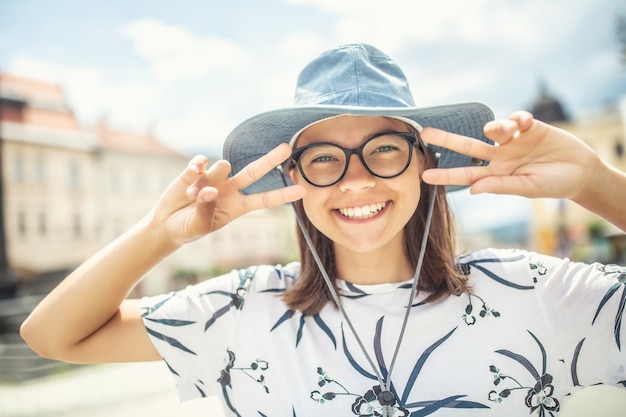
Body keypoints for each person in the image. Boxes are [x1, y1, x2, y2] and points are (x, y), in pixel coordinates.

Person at [20, 44, 626, 417]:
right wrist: (159, 235)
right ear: (294, 177)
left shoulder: (533, 292)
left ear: (425, 162)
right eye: (324, 159)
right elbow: (52, 336)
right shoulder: (241, 309)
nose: (355, 181)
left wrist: (596, 181)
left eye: (383, 150)